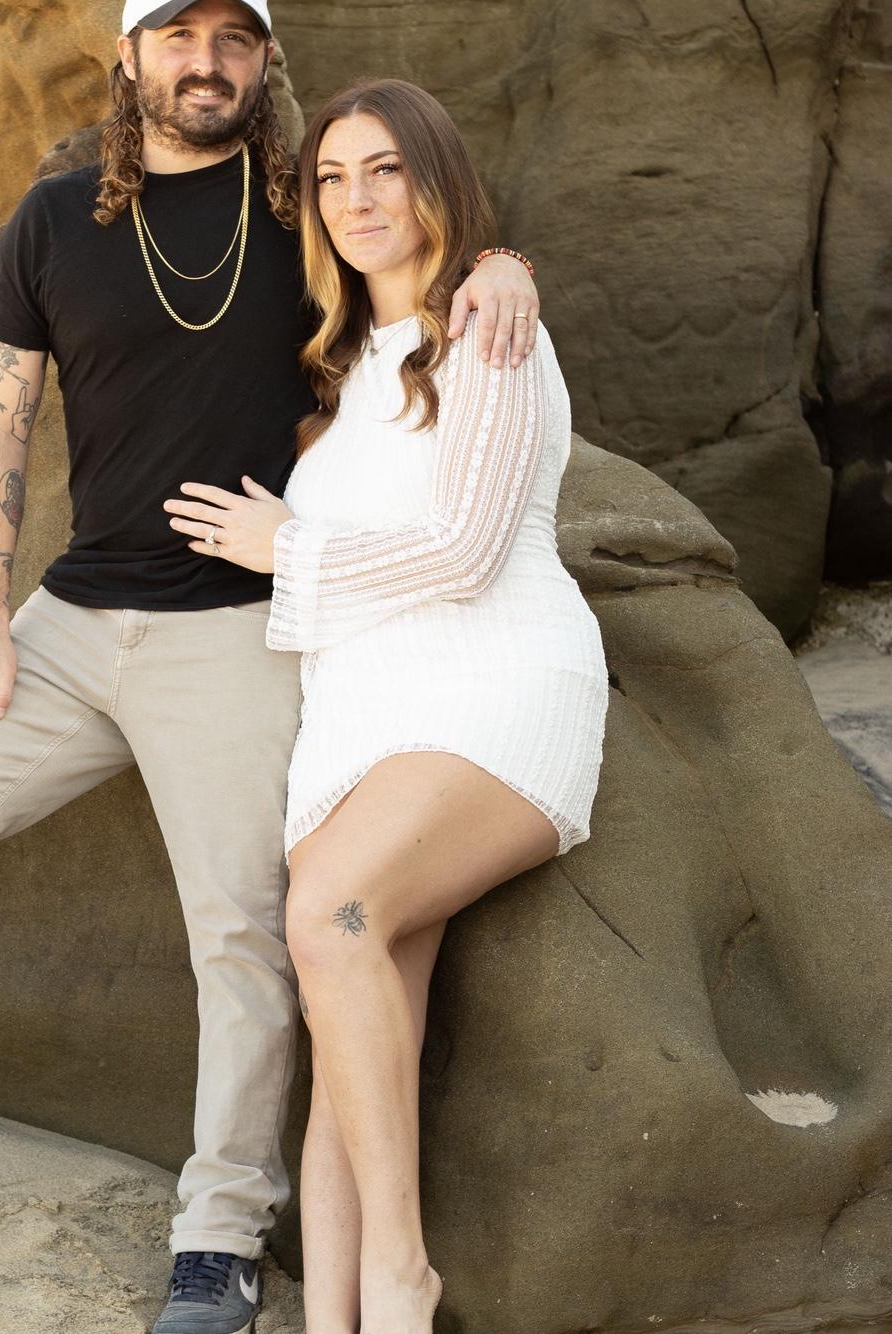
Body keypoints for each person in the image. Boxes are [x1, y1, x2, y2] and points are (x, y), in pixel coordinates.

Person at [0, 4, 540, 1328]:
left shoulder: (301, 213)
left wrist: (503, 266)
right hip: (68, 621)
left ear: (261, 62)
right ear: (128, 57)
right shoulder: (51, 222)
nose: (207, 61)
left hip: (237, 630)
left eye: (234, 39)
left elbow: (412, 242)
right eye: (177, 35)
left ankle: (220, 1236)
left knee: (241, 931)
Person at [162, 78, 608, 1332]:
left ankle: (403, 1272)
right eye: (331, 177)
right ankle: (341, 1317)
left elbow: (465, 551)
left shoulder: (485, 328)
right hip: (357, 719)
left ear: (433, 181)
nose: (355, 199)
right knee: (356, 1044)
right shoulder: (340, 373)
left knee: (329, 914)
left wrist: (283, 547)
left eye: (383, 170)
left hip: (490, 687)